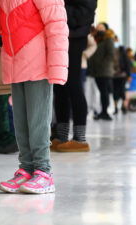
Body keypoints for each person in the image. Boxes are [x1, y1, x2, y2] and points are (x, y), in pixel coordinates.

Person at [0, 0, 69, 194]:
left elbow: (57, 26)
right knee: (21, 124)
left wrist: (57, 67)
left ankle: (43, 171)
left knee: (37, 121)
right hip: (15, 65)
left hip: (39, 64)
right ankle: (27, 168)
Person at [51, 0, 97, 153]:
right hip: (60, 35)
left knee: (73, 84)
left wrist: (59, 9)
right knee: (59, 85)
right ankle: (62, 136)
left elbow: (84, 13)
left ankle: (80, 138)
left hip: (75, 37)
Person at [89, 27, 116, 121]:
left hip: (104, 71)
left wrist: (101, 64)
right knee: (102, 92)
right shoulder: (100, 41)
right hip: (98, 71)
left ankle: (105, 111)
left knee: (104, 92)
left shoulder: (108, 41)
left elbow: (111, 55)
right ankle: (103, 111)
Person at [112, 36, 131, 115]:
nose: (115, 42)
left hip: (122, 75)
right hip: (113, 75)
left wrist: (128, 75)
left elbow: (127, 63)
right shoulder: (111, 50)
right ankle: (116, 108)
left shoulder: (122, 50)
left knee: (122, 91)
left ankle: (124, 106)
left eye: (116, 40)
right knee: (115, 92)